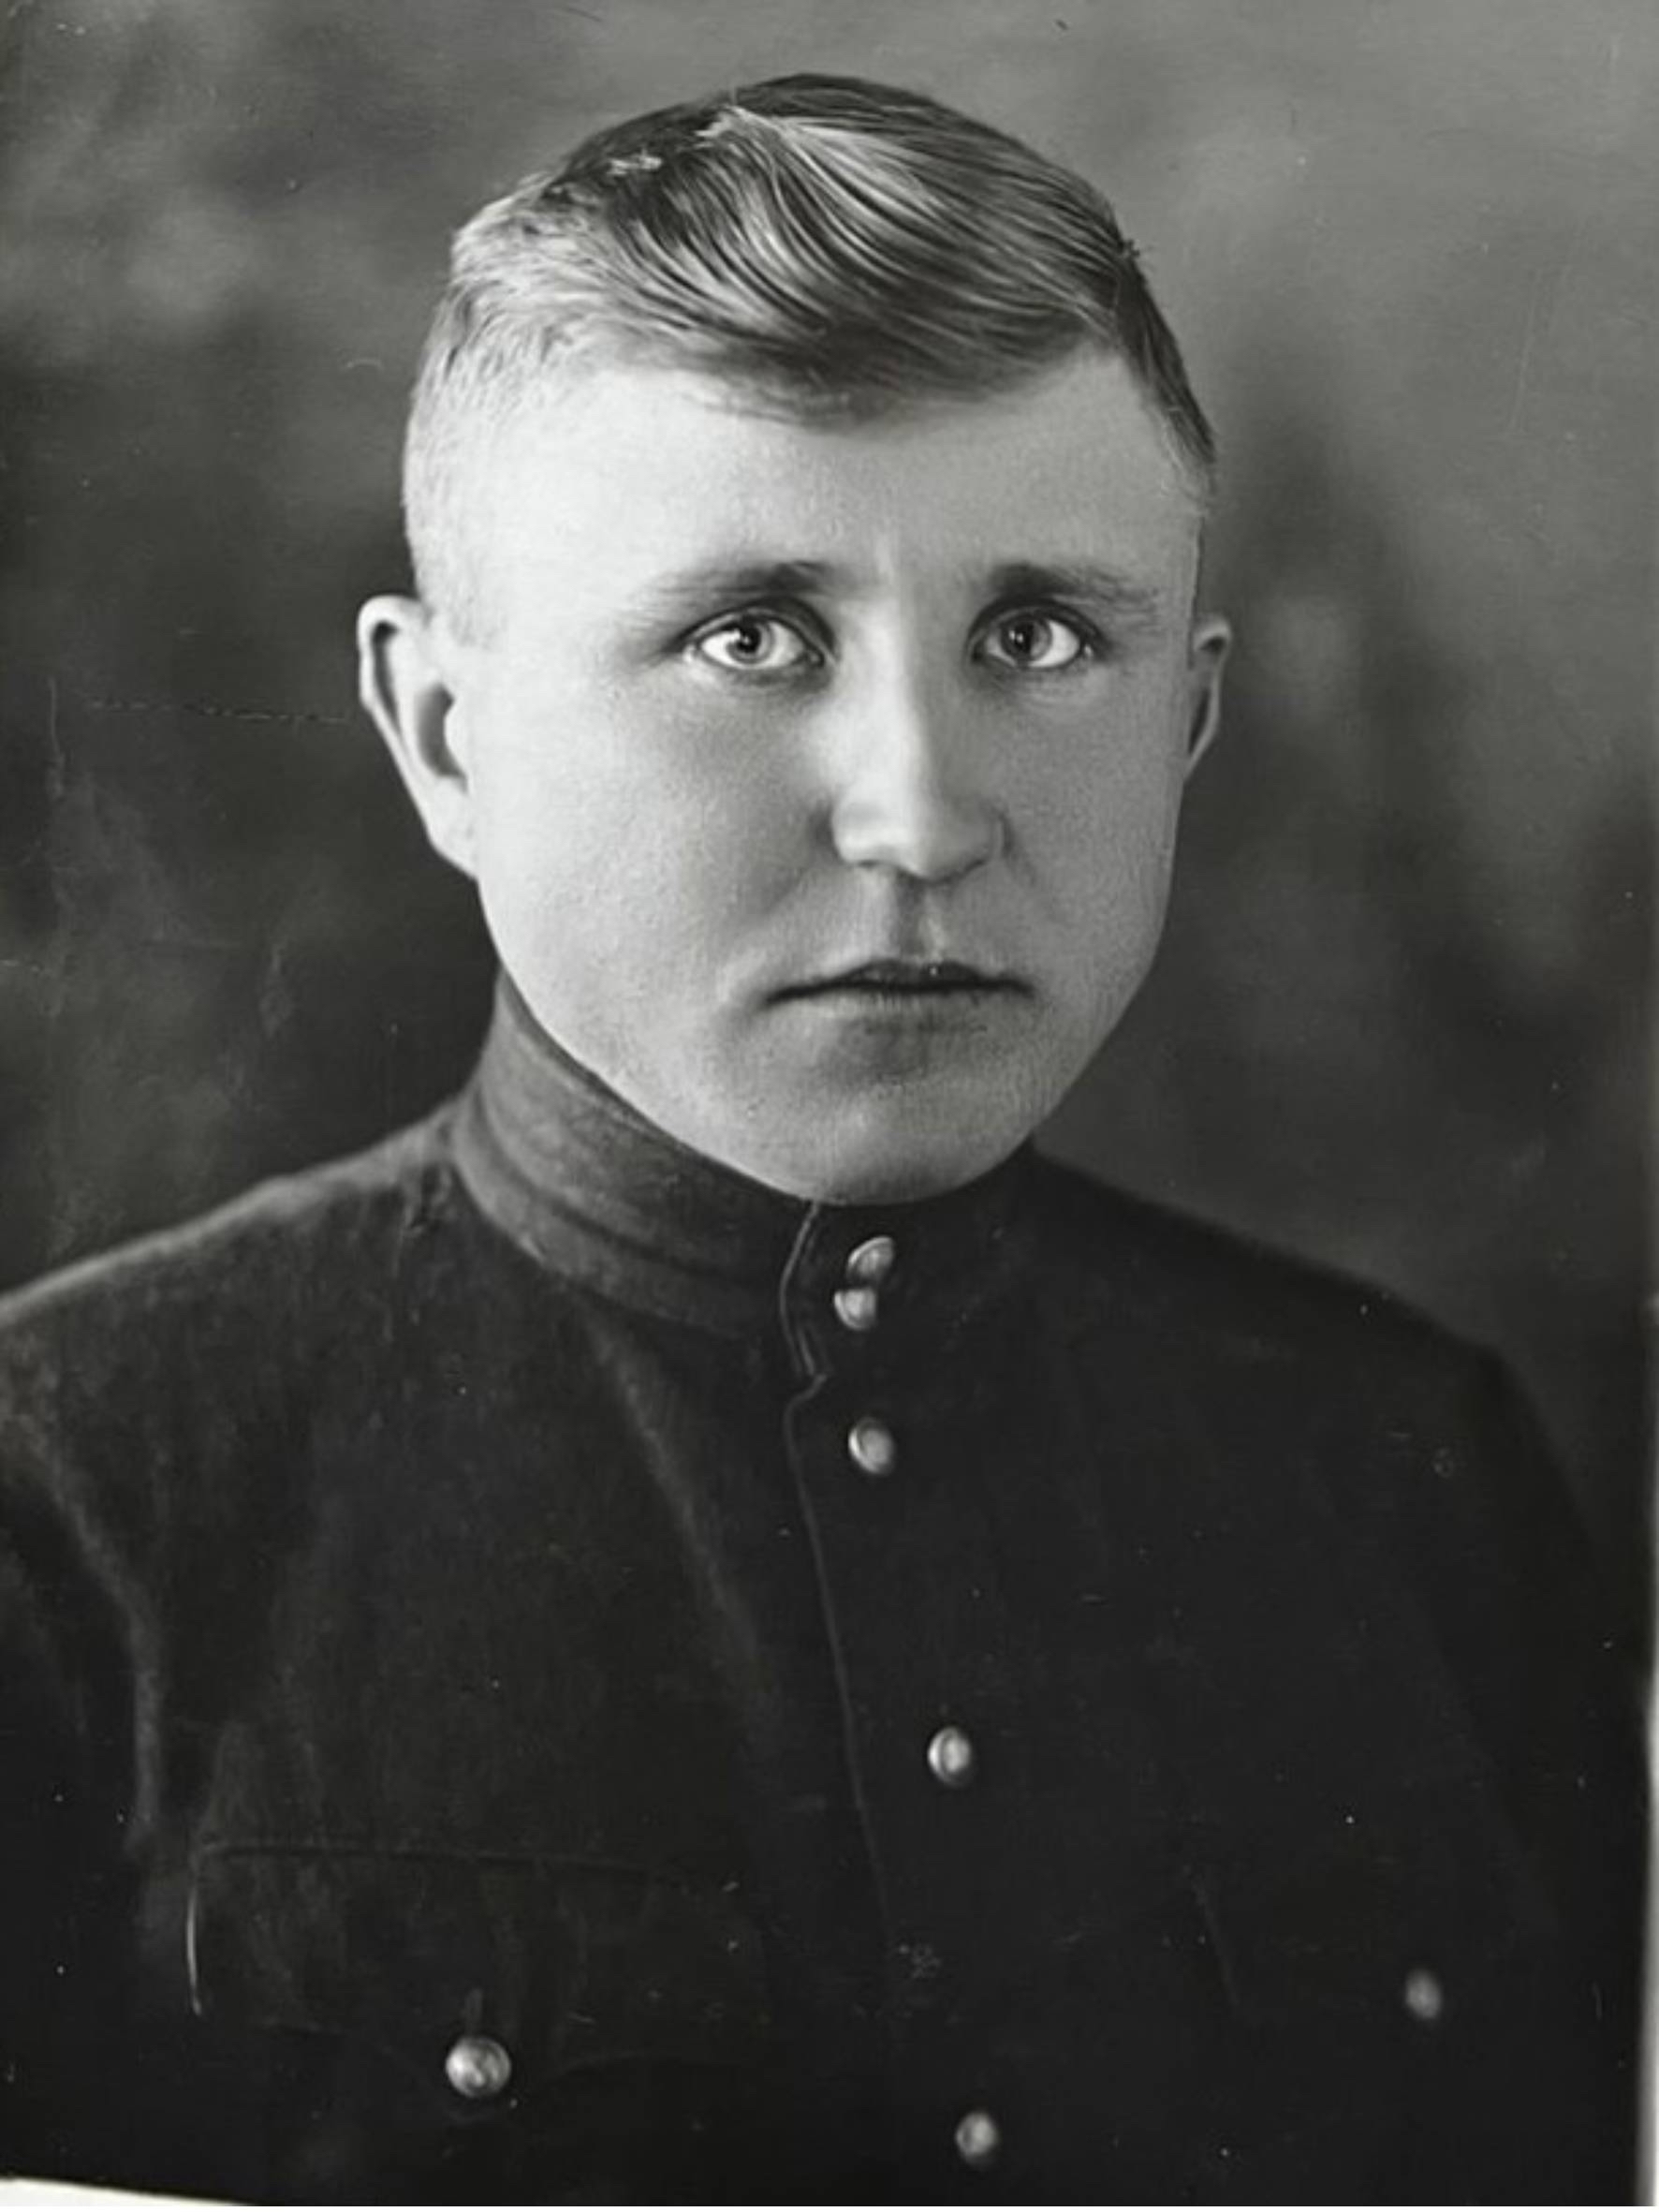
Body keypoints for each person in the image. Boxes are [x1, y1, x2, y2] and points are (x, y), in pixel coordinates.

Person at [0, 72, 1642, 2204]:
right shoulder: (66, 1512)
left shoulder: (1420, 1477)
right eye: (749, 637)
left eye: (1038, 636)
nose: (922, 815)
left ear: (1189, 717)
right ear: (445, 737)